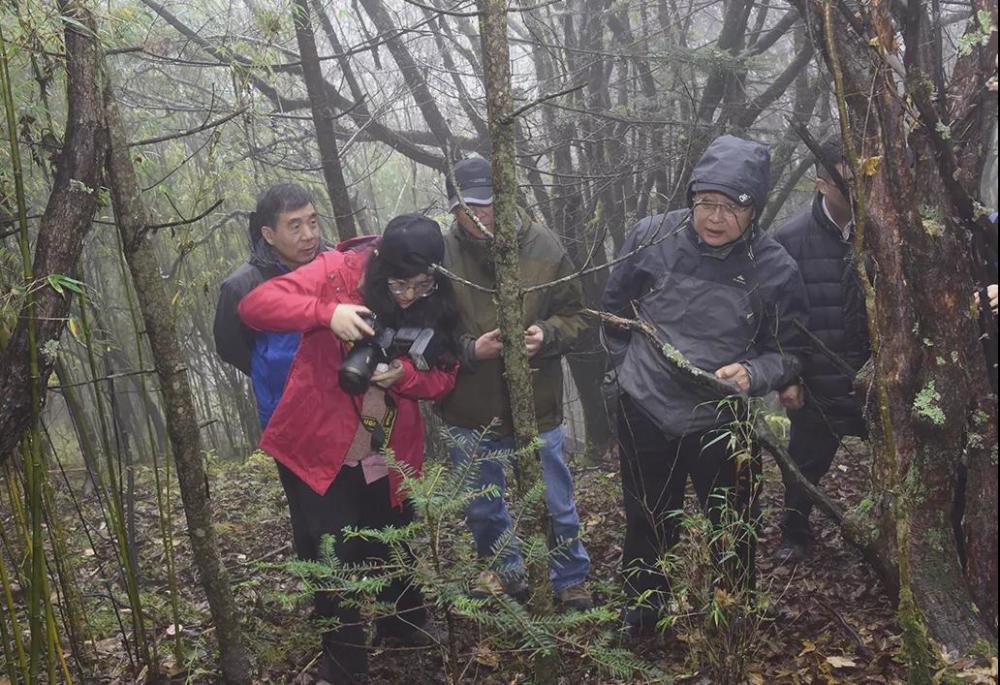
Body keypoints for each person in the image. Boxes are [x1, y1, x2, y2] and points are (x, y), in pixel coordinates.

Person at [238, 214, 461, 685]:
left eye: (421, 285)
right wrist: (327, 314)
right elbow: (255, 306)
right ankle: (344, 664)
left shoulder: (436, 299)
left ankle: (405, 630)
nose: (407, 295)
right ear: (380, 267)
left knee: (393, 537)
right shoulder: (337, 271)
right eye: (400, 284)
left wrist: (407, 377)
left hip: (387, 445)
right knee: (328, 554)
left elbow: (445, 373)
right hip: (322, 441)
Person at [602, 135, 808, 636]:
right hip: (647, 408)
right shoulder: (651, 237)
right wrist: (621, 376)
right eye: (705, 203)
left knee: (733, 524)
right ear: (691, 198)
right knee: (648, 518)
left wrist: (754, 374)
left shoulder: (775, 267)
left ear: (754, 209)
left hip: (724, 418)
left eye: (731, 207)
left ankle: (732, 612)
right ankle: (643, 613)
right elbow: (611, 311)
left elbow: (791, 350)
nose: (715, 218)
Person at [438, 156, 593, 610]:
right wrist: (468, 349)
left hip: (536, 402)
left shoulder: (544, 245)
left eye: (484, 206)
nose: (475, 218)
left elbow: (578, 316)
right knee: (483, 506)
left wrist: (546, 335)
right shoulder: (441, 254)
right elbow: (424, 329)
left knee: (554, 502)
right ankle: (509, 575)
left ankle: (570, 579)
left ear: (504, 201)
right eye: (464, 208)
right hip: (466, 407)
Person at [772, 139, 871, 564]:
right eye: (844, 185)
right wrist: (787, 378)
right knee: (804, 466)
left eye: (862, 182)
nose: (856, 195)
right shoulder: (790, 239)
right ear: (820, 184)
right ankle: (795, 534)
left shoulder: (884, 228)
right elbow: (776, 317)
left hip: (876, 377)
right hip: (816, 381)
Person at [213, 183, 328, 429]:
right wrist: (270, 367)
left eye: (313, 222)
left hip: (341, 405)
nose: (309, 235)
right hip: (287, 413)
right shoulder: (242, 287)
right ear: (269, 234)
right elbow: (229, 346)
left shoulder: (334, 265)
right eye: (295, 226)